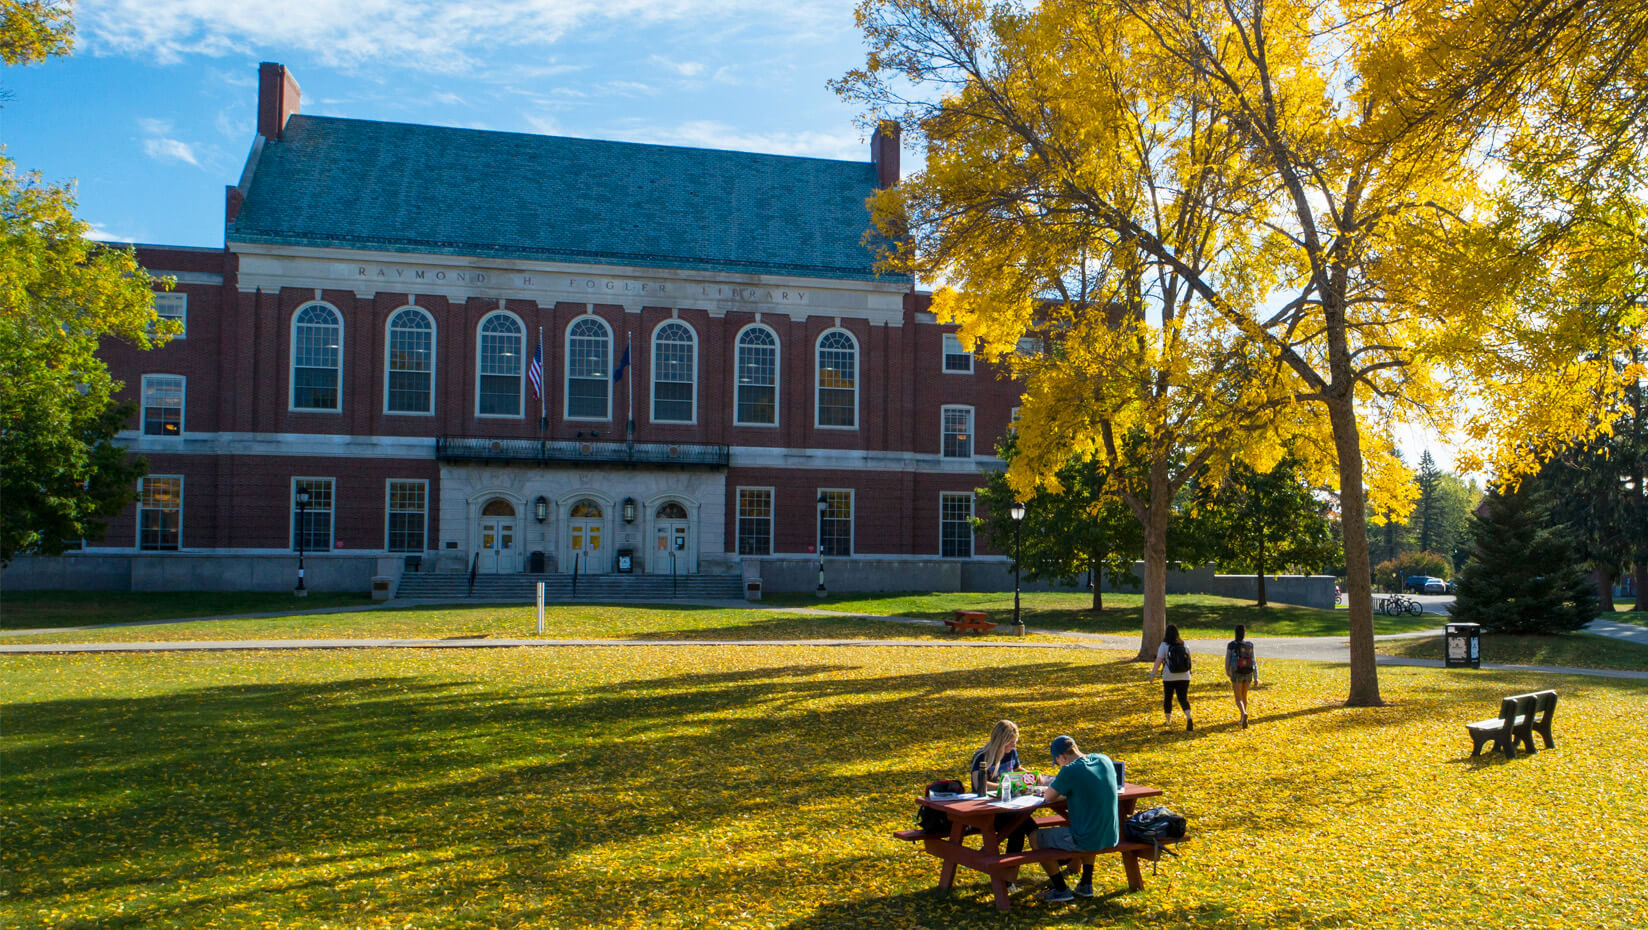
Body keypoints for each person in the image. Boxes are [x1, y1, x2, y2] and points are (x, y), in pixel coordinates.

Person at [1026, 734, 1120, 902]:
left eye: (1058, 762)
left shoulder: (1070, 770)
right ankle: (1086, 884)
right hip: (1111, 835)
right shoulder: (1103, 759)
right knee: (1089, 825)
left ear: (1062, 756)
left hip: (1085, 838)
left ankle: (1060, 889)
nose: (1059, 766)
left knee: (1035, 838)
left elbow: (1048, 797)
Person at [970, 720, 1040, 857]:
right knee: (1019, 827)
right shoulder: (981, 757)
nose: (1014, 746)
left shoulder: (1011, 753)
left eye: (1015, 742)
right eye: (1011, 743)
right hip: (987, 809)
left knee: (1027, 826)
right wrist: (1005, 787)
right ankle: (1008, 873)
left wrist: (1030, 776)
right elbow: (979, 784)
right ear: (1001, 741)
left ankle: (1054, 860)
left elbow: (1016, 768)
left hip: (1009, 805)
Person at [1148, 624, 1194, 731]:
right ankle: (1189, 717)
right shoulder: (1184, 644)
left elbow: (1158, 662)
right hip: (1184, 676)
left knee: (1168, 698)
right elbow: (1189, 660)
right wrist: (1190, 672)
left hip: (1169, 676)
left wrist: (1152, 675)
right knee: (1183, 698)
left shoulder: (1164, 645)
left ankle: (1168, 720)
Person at [1225, 624, 1258, 728]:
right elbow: (1253, 661)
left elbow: (1228, 659)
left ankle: (1243, 714)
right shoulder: (1249, 645)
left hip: (1237, 673)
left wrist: (1227, 670)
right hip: (1248, 673)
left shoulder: (1231, 645)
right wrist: (1256, 677)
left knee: (1238, 698)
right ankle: (1241, 719)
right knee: (1244, 696)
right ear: (1244, 633)